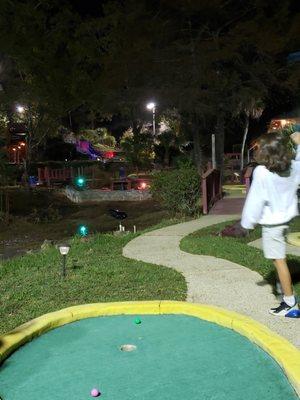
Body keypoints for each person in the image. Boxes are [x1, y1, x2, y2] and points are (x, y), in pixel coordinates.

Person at [241, 130, 300, 316]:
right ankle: (283, 291)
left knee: (279, 261)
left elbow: (255, 201)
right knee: (279, 258)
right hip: (285, 222)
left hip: (273, 226)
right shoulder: (292, 168)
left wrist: (247, 224)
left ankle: (290, 303)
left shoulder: (262, 173)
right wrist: (299, 144)